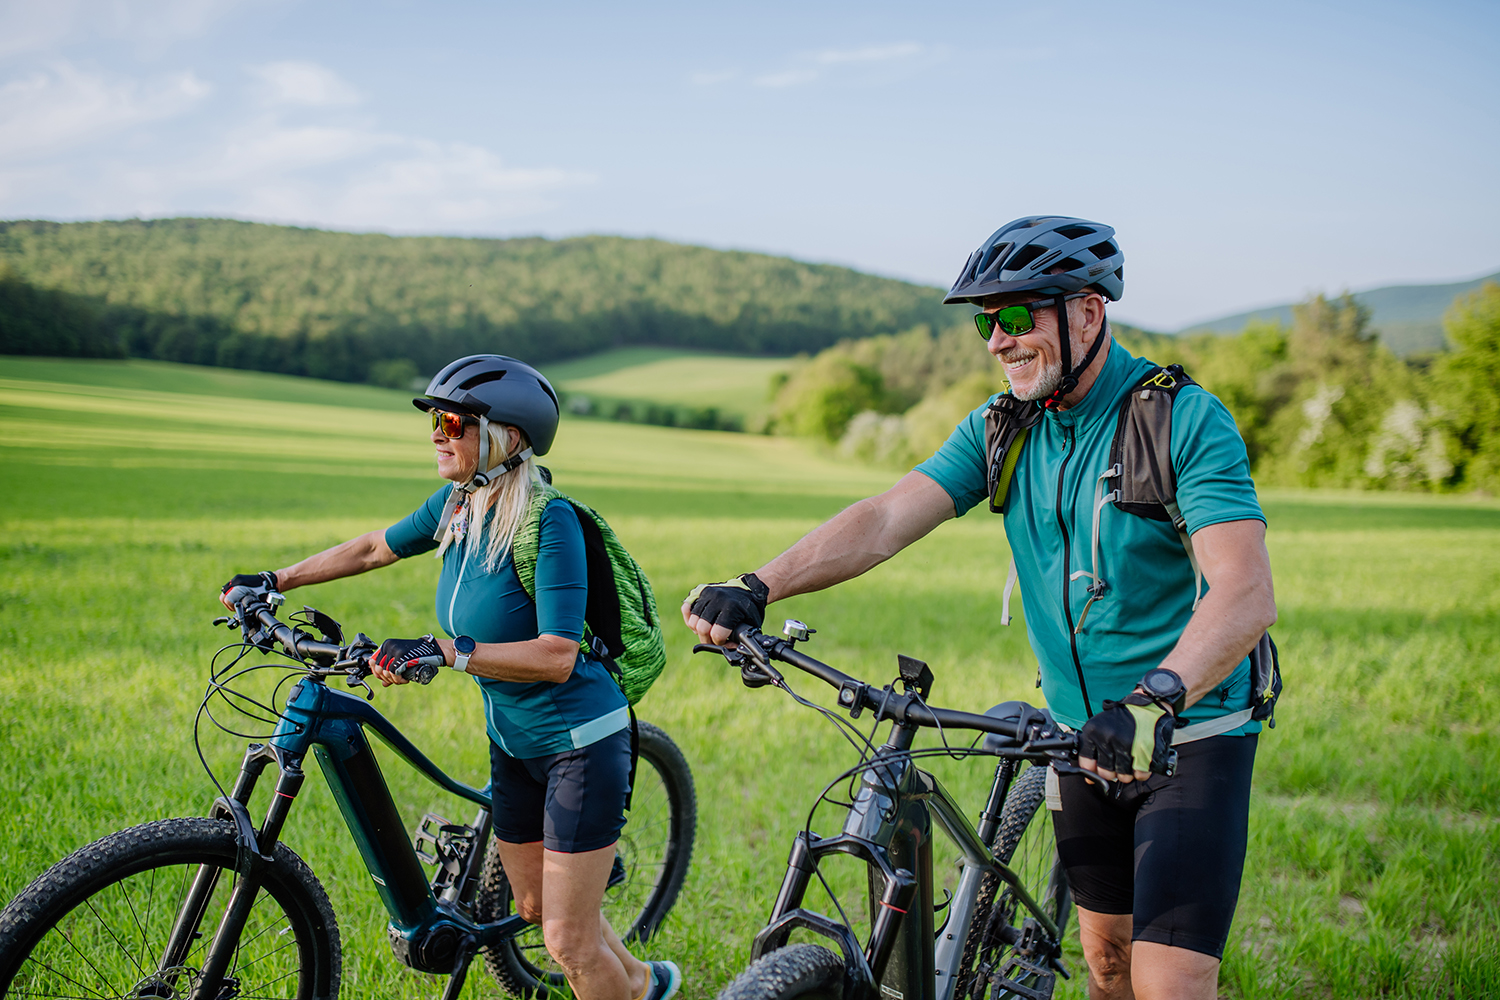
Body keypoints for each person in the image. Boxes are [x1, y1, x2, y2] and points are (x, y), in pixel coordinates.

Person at [683, 217, 1276, 1000]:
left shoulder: (1178, 420)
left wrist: (1152, 700)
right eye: (985, 322)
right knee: (1106, 962)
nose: (997, 340)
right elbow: (888, 516)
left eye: (1017, 316)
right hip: (1074, 733)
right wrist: (760, 585)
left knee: (1167, 983)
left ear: (1088, 312)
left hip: (1186, 732)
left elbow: (1244, 590)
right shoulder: (1005, 425)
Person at [221, 354, 680, 1000]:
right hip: (514, 740)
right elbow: (373, 547)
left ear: (506, 437)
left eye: (454, 421)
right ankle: (643, 983)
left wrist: (446, 650)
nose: (438, 432)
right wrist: (276, 580)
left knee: (566, 943)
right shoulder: (458, 505)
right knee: (530, 905)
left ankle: (622, 981)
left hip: (581, 740)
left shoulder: (549, 522)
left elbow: (557, 656)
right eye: (435, 420)